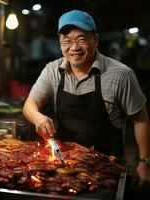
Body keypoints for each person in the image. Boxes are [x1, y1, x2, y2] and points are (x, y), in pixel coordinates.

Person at [22, 10, 150, 183]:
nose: (74, 48)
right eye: (67, 41)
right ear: (60, 44)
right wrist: (38, 118)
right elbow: (30, 105)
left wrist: (144, 162)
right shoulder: (52, 70)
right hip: (65, 167)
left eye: (81, 39)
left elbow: (140, 119)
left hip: (108, 169)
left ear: (95, 40)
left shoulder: (121, 75)